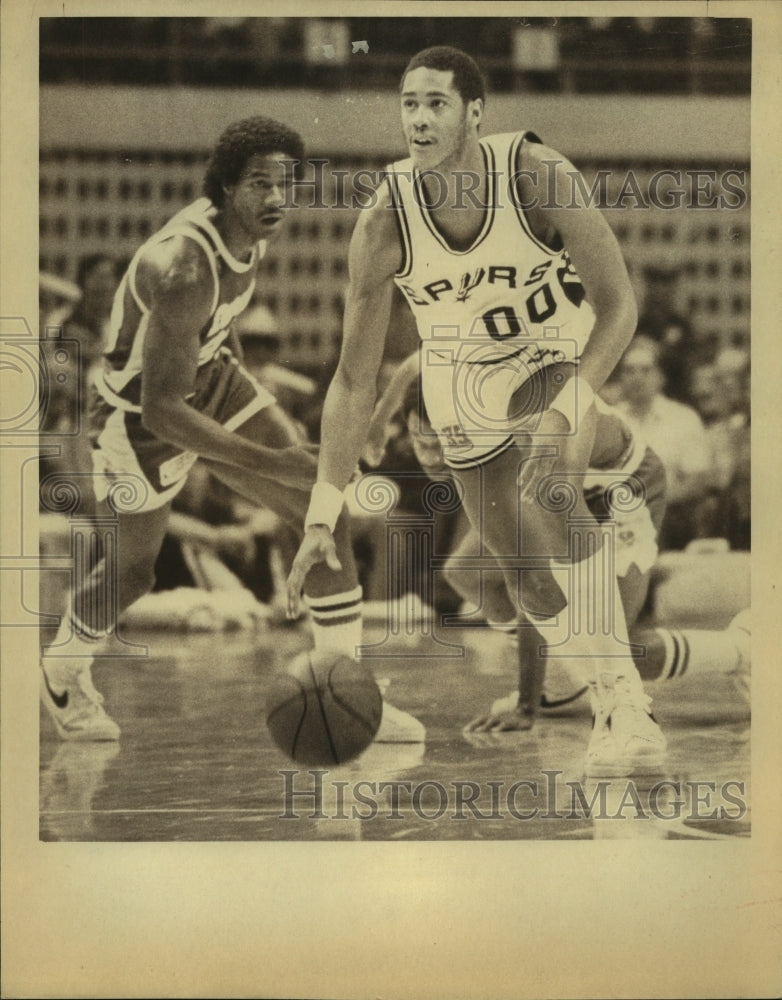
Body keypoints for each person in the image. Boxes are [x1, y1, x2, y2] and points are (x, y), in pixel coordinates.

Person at [287, 45, 668, 777]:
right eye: (409, 103)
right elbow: (350, 380)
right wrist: (319, 513)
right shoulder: (383, 220)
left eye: (436, 102)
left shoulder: (535, 174)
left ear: (475, 112)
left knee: (553, 487)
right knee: (519, 575)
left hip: (553, 350)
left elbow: (619, 306)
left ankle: (626, 704)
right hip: (460, 378)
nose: (420, 119)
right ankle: (601, 688)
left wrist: (571, 402)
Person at [39, 115, 423, 745]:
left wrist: (247, 389)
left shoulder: (250, 233)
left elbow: (222, 317)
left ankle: (345, 689)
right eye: (259, 185)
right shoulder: (183, 268)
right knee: (133, 573)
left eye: (286, 184)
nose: (276, 198)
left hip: (211, 378)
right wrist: (275, 461)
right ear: (223, 187)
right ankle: (62, 669)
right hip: (137, 420)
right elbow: (163, 410)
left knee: (323, 510)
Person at [615, 334, 713, 550]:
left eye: (646, 370)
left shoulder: (683, 418)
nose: (637, 378)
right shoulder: (610, 420)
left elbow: (697, 480)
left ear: (661, 377)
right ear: (620, 378)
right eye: (629, 371)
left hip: (670, 516)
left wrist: (653, 502)